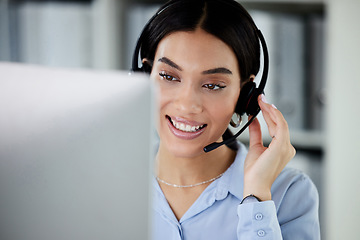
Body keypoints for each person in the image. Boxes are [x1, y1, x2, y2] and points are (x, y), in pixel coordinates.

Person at [132, 0, 320, 239]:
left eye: (212, 85)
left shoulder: (289, 193)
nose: (187, 105)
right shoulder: (108, 180)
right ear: (143, 77)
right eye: (169, 76)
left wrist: (256, 197)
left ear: (245, 96)